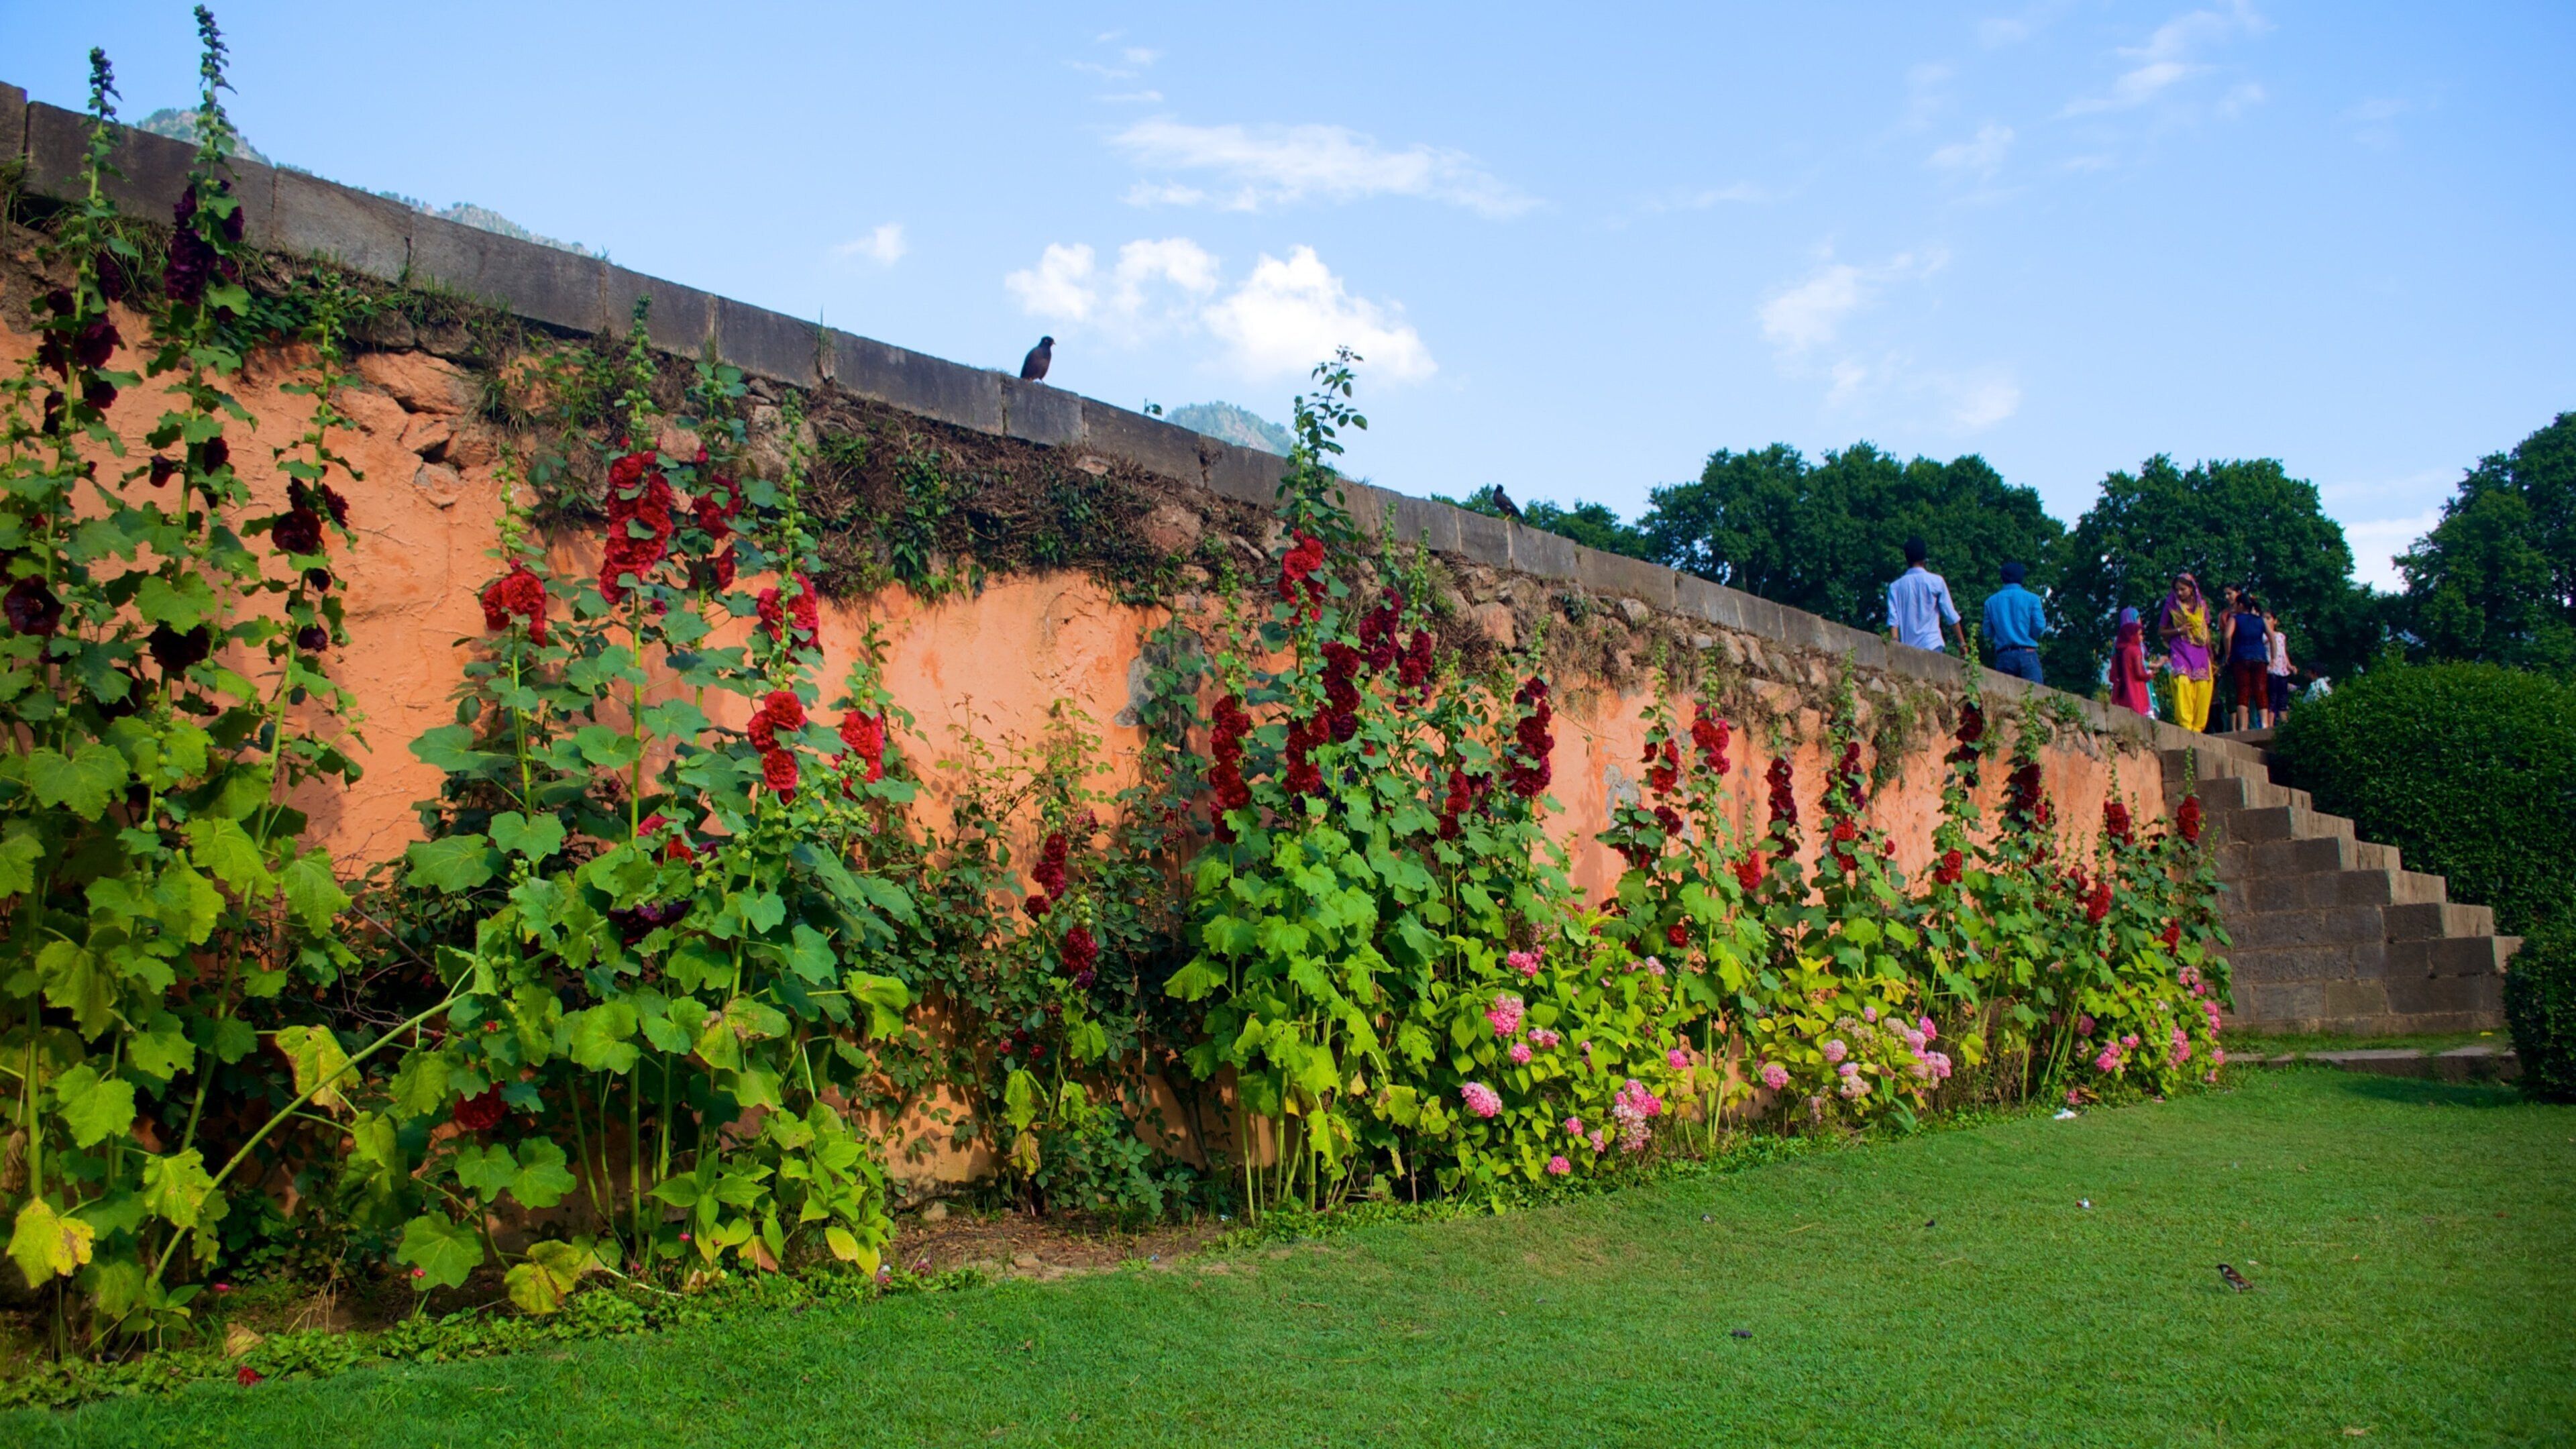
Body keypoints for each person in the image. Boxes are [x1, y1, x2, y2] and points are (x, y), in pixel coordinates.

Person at [1885, 537, 1964, 655]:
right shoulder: (1936, 581)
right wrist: (1962, 643)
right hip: (1932, 644)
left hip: (1908, 648)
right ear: (1924, 559)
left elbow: (1893, 620)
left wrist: (1895, 642)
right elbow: (1950, 614)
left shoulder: (1895, 587)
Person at [2157, 572, 2214, 732]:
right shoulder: (2171, 605)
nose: (2179, 593)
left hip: (2200, 651)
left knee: (2202, 687)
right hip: (2180, 649)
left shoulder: (2201, 606)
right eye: (2177, 590)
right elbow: (2161, 631)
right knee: (2182, 682)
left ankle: (2197, 729)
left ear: (2191, 589)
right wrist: (2179, 630)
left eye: (2182, 589)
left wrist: (2211, 654)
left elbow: (2206, 630)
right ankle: (2185, 725)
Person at [1982, 561, 2048, 683]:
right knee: (2036, 698)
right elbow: (2039, 626)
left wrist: (2002, 635)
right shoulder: (2033, 599)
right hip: (2028, 653)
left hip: (2004, 654)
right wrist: (2028, 637)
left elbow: (1987, 631)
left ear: (2002, 578)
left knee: (2004, 698)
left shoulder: (1990, 602)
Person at [2221, 590, 2270, 731]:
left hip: (2241, 658)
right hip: (2260, 658)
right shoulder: (2260, 620)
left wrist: (2229, 653)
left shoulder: (2235, 618)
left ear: (2241, 605)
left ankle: (2242, 726)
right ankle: (2265, 724)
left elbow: (2227, 636)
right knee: (2261, 690)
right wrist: (2272, 658)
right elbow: (2271, 637)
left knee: (2243, 691)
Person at [2108, 606, 2153, 716]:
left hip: (2122, 692)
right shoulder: (2135, 647)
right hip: (2137, 690)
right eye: (2137, 618)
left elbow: (2112, 676)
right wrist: (2149, 675)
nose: (2140, 621)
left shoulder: (2119, 647)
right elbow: (2139, 671)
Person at [2264, 610, 2294, 723]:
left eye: (2268, 618)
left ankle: (2284, 723)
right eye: (2264, 618)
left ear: (2275, 621)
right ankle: (2269, 725)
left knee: (2283, 699)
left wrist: (2290, 666)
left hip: (2283, 671)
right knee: (2272, 698)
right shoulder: (2263, 635)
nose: (2266, 621)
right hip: (2271, 670)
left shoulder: (2281, 636)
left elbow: (2284, 652)